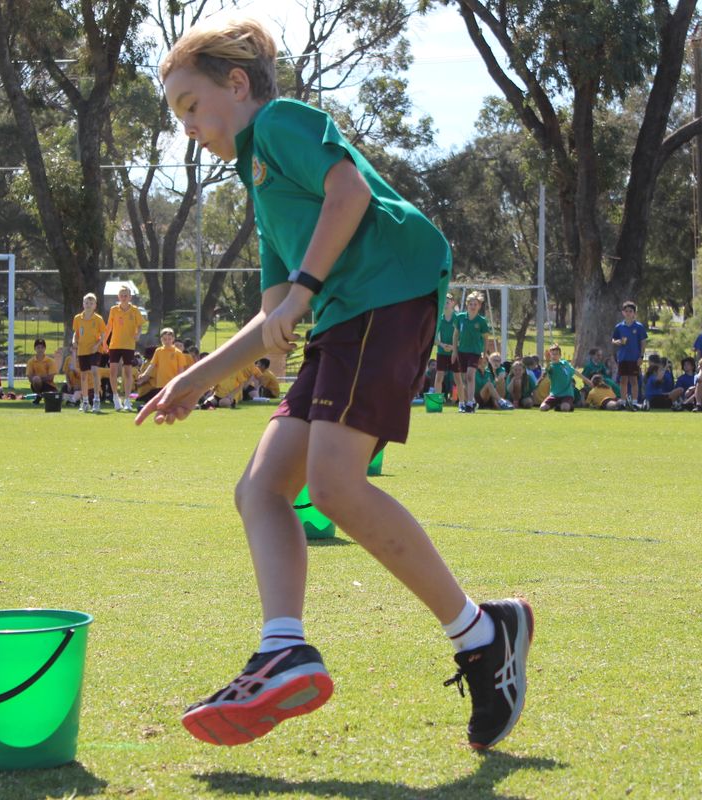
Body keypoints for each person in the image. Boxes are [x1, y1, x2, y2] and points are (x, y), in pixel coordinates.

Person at [143, 16, 532, 751]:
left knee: (333, 486)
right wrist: (194, 380)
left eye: (190, 106)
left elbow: (347, 193)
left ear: (236, 84)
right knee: (261, 489)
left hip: (386, 291)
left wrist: (303, 291)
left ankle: (482, 636)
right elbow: (275, 318)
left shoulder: (279, 123)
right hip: (342, 313)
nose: (186, 127)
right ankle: (284, 648)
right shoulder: (257, 181)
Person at [105, 286, 147, 411]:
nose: (124, 297)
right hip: (115, 344)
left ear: (130, 297)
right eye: (122, 295)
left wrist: (138, 334)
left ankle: (127, 400)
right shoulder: (114, 309)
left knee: (127, 372)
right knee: (113, 371)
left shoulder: (134, 310)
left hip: (128, 345)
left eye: (126, 295)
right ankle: (115, 398)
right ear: (118, 297)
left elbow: (140, 325)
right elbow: (109, 327)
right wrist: (104, 342)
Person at [453, 291, 490, 413]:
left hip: (474, 352)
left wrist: (484, 354)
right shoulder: (460, 317)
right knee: (464, 379)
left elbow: (486, 339)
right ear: (467, 305)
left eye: (475, 304)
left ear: (479, 306)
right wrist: (454, 351)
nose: (473, 306)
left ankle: (469, 403)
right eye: (471, 304)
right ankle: (470, 401)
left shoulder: (481, 321)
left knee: (470, 375)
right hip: (462, 351)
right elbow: (456, 335)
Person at [72, 293, 107, 413]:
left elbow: (103, 334)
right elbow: (76, 332)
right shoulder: (77, 318)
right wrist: (74, 341)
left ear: (95, 305)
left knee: (94, 371)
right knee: (83, 375)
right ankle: (85, 401)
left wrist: (97, 345)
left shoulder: (98, 319)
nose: (88, 305)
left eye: (91, 303)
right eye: (86, 302)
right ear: (83, 304)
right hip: (82, 350)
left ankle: (96, 400)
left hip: (94, 350)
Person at [135, 328, 187, 406]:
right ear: (161, 339)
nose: (167, 341)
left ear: (173, 339)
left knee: (171, 402)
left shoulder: (178, 353)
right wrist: (144, 374)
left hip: (173, 382)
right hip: (161, 383)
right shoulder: (158, 351)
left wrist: (180, 381)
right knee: (162, 402)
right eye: (164, 339)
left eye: (169, 339)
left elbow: (181, 369)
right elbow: (152, 365)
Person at [611, 301, 647, 406]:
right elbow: (613, 339)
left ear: (634, 313)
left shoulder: (639, 327)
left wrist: (641, 356)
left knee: (634, 380)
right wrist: (617, 342)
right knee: (623, 380)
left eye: (630, 311)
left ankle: (634, 402)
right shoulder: (619, 327)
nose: (628, 313)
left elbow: (643, 342)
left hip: (634, 358)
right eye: (626, 311)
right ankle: (623, 401)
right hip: (623, 357)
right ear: (623, 312)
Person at [539, 344, 586, 411]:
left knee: (564, 408)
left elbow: (575, 372)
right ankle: (558, 405)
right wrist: (547, 361)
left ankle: (568, 406)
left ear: (560, 355)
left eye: (556, 354)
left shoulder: (565, 363)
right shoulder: (551, 366)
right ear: (550, 355)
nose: (554, 356)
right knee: (543, 408)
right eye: (552, 354)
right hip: (554, 395)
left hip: (567, 394)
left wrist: (588, 381)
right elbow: (547, 369)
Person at [432, 292, 460, 397]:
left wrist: (453, 347)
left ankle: (460, 401)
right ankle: (437, 401)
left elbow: (462, 337)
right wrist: (442, 345)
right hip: (442, 352)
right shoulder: (439, 319)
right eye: (444, 302)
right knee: (439, 377)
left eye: (447, 302)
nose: (445, 304)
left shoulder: (458, 318)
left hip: (455, 353)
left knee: (457, 378)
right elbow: (434, 337)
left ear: (453, 303)